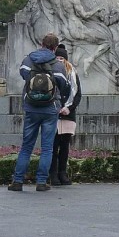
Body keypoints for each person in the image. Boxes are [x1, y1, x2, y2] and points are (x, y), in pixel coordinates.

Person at [8, 33, 70, 192]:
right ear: (55, 48)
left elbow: (23, 74)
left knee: (26, 146)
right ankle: (41, 182)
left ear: (41, 44)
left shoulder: (29, 60)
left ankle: (17, 181)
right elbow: (65, 86)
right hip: (50, 109)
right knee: (47, 148)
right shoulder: (57, 64)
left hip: (31, 107)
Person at [50, 44, 81, 186]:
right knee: (53, 145)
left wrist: (69, 108)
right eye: (57, 58)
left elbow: (77, 95)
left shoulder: (73, 74)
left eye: (62, 58)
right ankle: (53, 174)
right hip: (54, 113)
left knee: (65, 146)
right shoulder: (51, 72)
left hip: (68, 114)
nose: (59, 60)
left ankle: (63, 172)